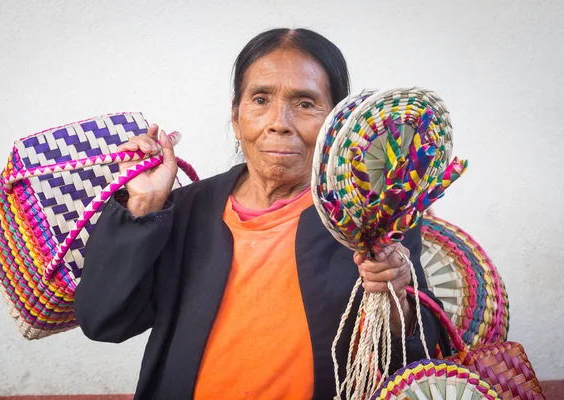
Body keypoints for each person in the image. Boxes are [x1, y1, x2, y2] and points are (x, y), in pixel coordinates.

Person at [75, 28, 450, 399]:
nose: (279, 122)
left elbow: (416, 361)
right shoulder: (188, 209)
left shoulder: (372, 217)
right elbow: (105, 321)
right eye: (260, 100)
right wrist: (140, 205)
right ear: (236, 118)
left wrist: (396, 296)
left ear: (336, 124)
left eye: (305, 103)